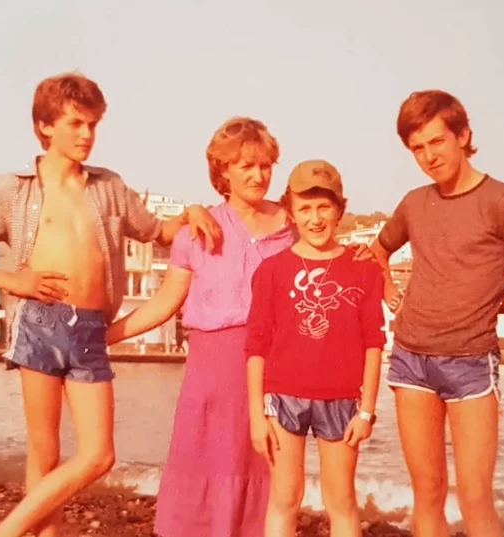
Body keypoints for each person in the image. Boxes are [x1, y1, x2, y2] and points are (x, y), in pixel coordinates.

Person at [106, 119, 373, 537]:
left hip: (276, 368)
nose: (257, 175)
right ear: (222, 171)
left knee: (273, 482)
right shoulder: (197, 231)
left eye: (265, 165)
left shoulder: (292, 224)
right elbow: (164, 303)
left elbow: (334, 258)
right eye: (246, 165)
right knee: (207, 466)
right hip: (211, 370)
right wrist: (107, 336)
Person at [0, 72, 220, 537]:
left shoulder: (108, 186)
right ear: (45, 127)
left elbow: (158, 231)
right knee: (45, 453)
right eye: (76, 123)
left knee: (99, 455)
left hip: (92, 328)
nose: (86, 135)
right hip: (38, 321)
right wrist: (14, 280)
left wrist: (195, 213)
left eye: (93, 124)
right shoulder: (13, 188)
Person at [370, 90, 504, 537]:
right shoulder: (415, 203)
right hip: (411, 360)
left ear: (463, 135)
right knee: (428, 494)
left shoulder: (503, 201)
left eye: (437, 142)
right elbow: (374, 253)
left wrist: (488, 304)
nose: (429, 156)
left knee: (475, 498)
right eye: (418, 148)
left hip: (472, 363)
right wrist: (394, 295)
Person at [246, 160, 386, 537]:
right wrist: (256, 416)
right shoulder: (272, 271)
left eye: (324, 207)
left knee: (341, 501)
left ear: (340, 209)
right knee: (285, 497)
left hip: (342, 401)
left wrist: (368, 411)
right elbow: (256, 344)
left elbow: (375, 343)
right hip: (283, 398)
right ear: (291, 212)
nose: (315, 218)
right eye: (305, 208)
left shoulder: (365, 269)